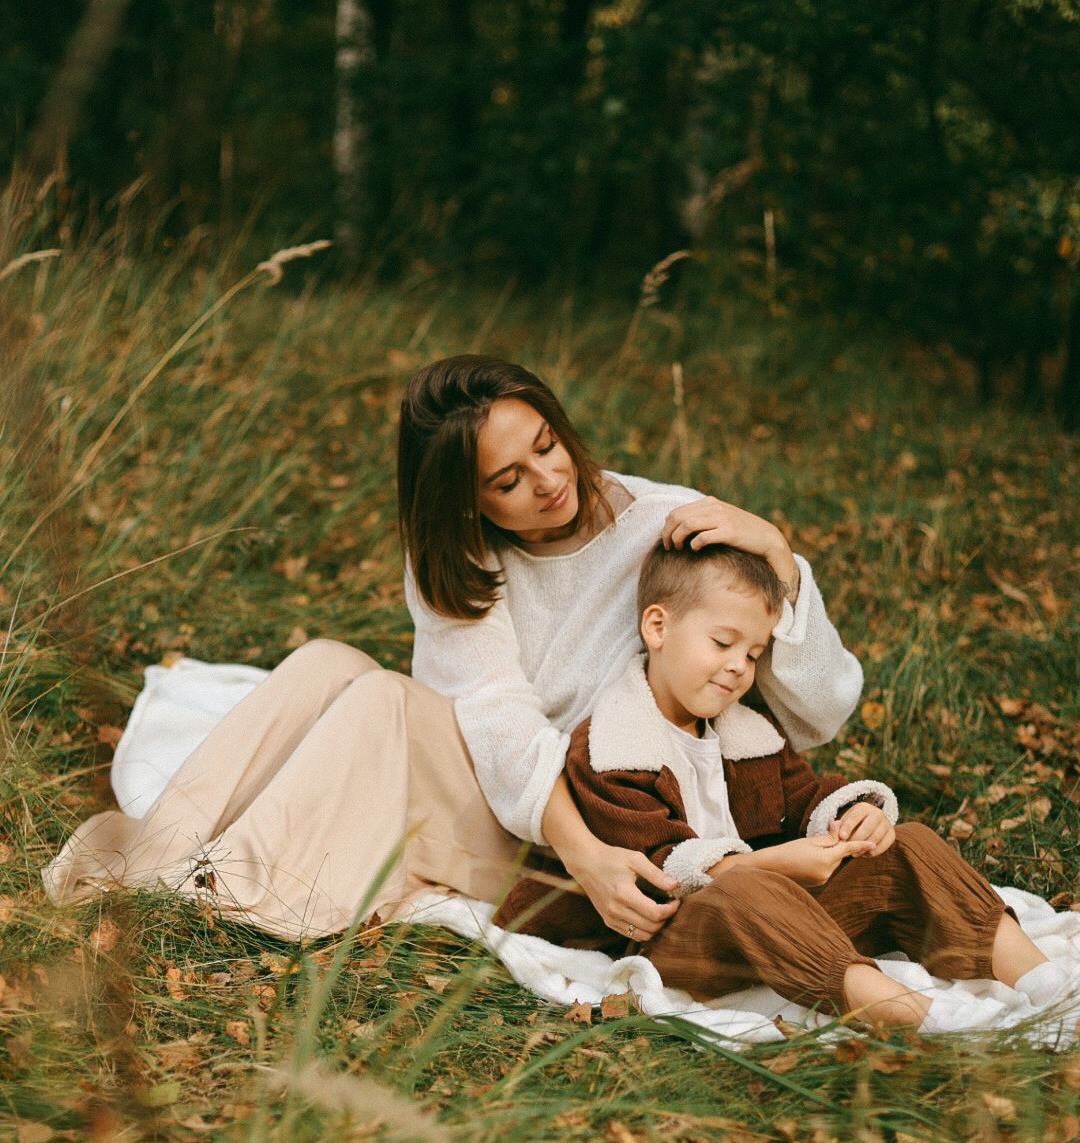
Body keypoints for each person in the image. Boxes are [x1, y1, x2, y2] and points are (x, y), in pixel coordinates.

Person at [43, 355, 862, 945]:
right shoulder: (462, 559)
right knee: (331, 664)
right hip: (544, 816)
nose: (546, 479)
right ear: (466, 504)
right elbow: (493, 721)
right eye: (506, 480)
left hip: (612, 831)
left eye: (545, 443)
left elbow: (823, 711)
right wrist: (586, 855)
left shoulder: (671, 524)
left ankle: (225, 886)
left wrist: (782, 557)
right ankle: (158, 860)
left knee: (379, 703)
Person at [494, 540, 1067, 1028]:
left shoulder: (747, 734)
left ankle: (1046, 982)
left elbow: (804, 797)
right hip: (671, 940)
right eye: (722, 644)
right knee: (742, 888)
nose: (739, 667)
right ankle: (918, 1016)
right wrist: (782, 863)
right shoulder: (612, 748)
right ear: (658, 626)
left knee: (907, 840)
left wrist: (855, 815)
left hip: (775, 925)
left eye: (753, 652)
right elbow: (663, 873)